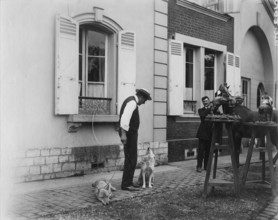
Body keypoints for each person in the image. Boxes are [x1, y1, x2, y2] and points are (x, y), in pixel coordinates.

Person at [119, 88, 152, 191]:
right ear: (141, 97)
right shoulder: (132, 103)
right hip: (129, 134)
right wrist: (123, 135)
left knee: (131, 158)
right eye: (144, 100)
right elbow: (124, 119)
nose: (143, 103)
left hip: (130, 134)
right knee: (131, 159)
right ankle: (126, 184)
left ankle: (128, 182)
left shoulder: (131, 101)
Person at [196, 96, 214, 173]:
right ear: (203, 103)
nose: (205, 102)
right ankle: (199, 166)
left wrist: (213, 109)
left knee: (208, 151)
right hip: (203, 134)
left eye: (206, 101)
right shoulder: (200, 110)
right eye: (204, 101)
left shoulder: (213, 110)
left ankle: (206, 166)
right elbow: (203, 116)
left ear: (209, 101)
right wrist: (209, 108)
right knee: (201, 151)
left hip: (210, 133)